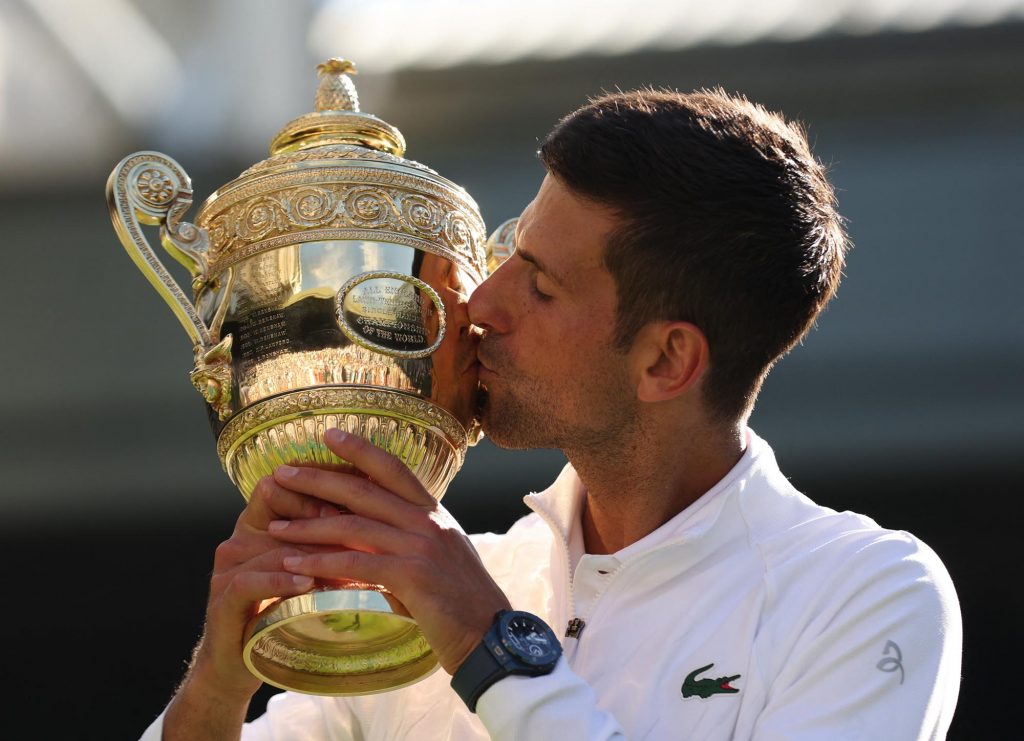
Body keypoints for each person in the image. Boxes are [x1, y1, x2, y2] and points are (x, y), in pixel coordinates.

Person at [142, 88, 962, 740]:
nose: (479, 305)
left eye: (537, 284)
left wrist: (490, 646)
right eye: (507, 253)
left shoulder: (867, 593)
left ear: (665, 361)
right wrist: (219, 679)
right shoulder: (435, 587)